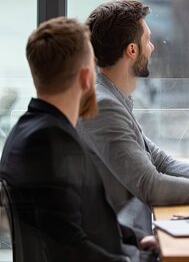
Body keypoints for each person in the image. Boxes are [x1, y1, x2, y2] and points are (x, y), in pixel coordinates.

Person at [76, 0, 189, 237]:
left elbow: (162, 163)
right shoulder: (104, 106)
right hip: (119, 244)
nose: (152, 48)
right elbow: (151, 186)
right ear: (132, 50)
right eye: (148, 40)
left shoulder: (112, 98)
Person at [0, 17, 157, 261]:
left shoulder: (31, 129)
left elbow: (82, 222)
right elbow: (68, 247)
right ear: (86, 78)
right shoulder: (51, 141)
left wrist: (136, 239)